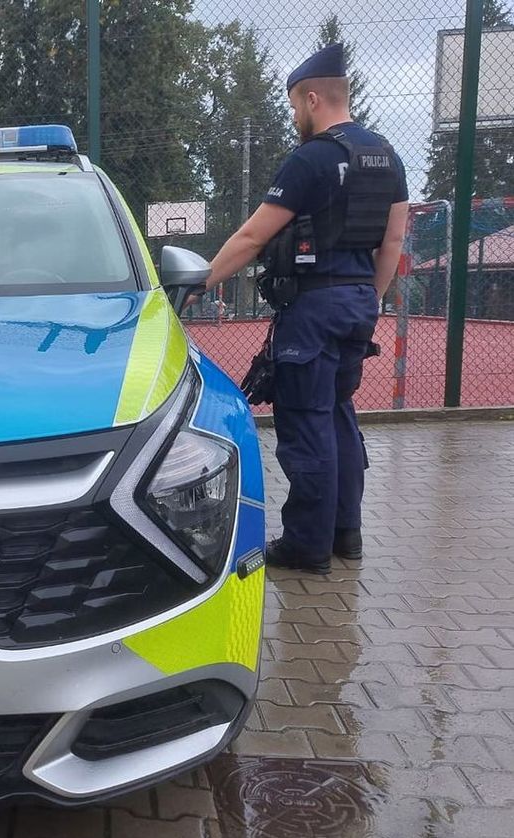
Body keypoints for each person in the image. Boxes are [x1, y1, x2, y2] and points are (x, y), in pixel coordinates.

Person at [203, 43, 409, 575]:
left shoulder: (312, 158)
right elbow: (392, 241)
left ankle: (308, 545)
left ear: (312, 97)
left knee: (308, 421)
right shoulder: (387, 155)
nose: (295, 116)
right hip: (361, 299)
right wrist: (372, 297)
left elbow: (252, 236)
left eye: (295, 105)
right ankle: (347, 534)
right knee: (340, 415)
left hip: (314, 307)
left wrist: (201, 282)